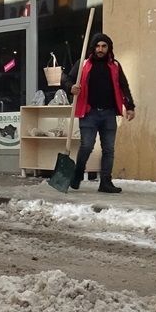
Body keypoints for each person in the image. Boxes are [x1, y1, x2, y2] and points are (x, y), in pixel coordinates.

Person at [61, 33, 136, 193]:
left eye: (104, 46)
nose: (100, 49)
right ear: (93, 48)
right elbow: (66, 79)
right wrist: (71, 87)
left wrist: (130, 106)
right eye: (97, 46)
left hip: (109, 113)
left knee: (108, 149)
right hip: (89, 113)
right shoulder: (83, 64)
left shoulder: (115, 65)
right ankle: (78, 173)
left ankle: (106, 182)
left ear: (109, 48)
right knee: (87, 146)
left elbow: (124, 86)